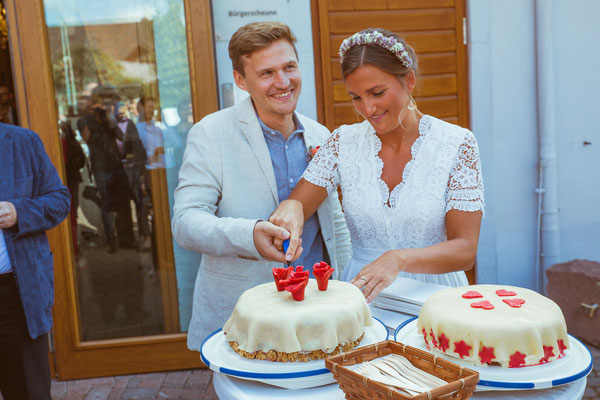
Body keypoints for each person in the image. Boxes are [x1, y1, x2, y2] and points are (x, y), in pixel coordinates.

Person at [270, 28, 485, 303]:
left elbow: (465, 250)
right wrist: (292, 207)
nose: (367, 108)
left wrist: (398, 259)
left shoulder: (457, 144)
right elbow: (299, 205)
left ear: (409, 80)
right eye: (356, 97)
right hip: (363, 299)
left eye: (377, 92)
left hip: (436, 299)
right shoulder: (342, 143)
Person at [171, 22, 352, 349]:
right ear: (241, 80)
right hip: (248, 315)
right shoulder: (210, 133)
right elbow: (185, 223)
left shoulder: (320, 135)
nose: (283, 83)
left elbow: (334, 222)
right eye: (266, 73)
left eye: (289, 67)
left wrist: (348, 287)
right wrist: (250, 234)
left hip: (320, 306)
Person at [0, 123, 70, 398]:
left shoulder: (22, 141)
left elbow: (60, 200)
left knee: (29, 392)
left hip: (16, 298)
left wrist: (20, 212)